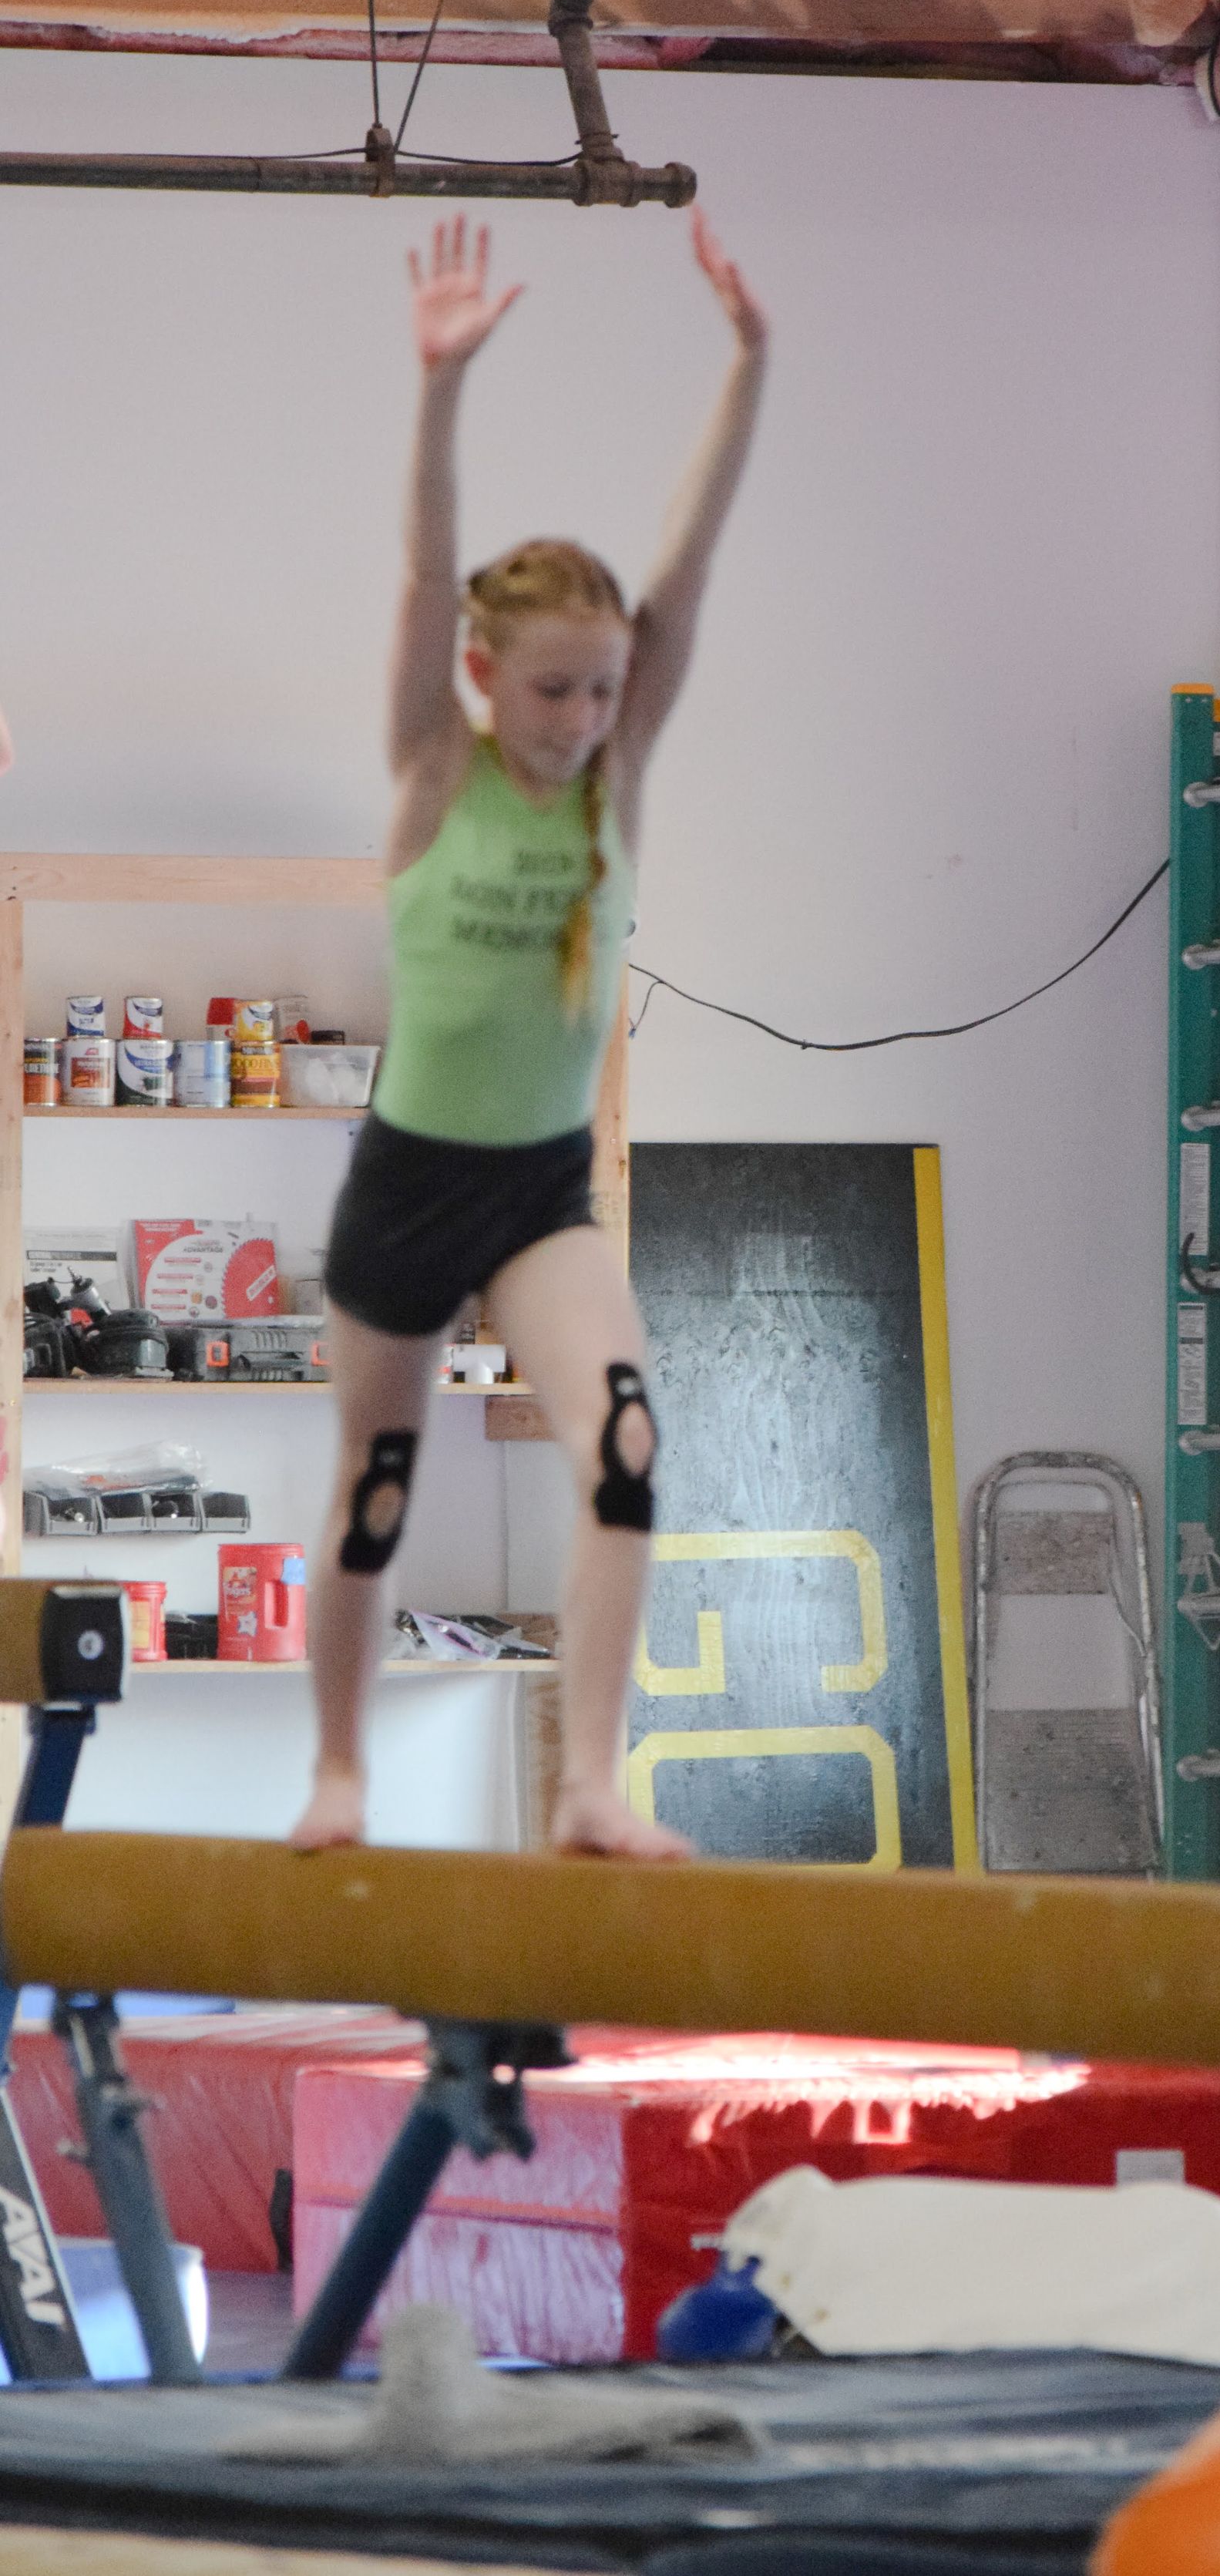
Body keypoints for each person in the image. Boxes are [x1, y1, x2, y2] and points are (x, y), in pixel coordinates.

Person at [291, 209, 767, 1855]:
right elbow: (428, 570)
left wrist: (749, 360)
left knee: (626, 1441)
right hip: (411, 1184)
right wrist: (439, 389)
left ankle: (586, 1782)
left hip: (541, 1189)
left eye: (603, 691)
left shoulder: (619, 782)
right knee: (379, 1482)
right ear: (488, 678)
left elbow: (689, 569)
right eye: (552, 689)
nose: (580, 720)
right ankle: (341, 1771)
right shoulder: (437, 771)